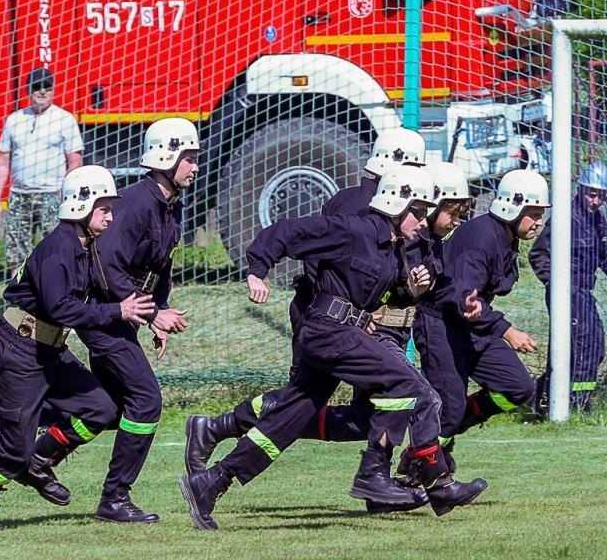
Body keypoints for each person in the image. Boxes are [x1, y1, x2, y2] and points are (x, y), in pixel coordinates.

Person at [184, 162, 481, 515]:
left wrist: (409, 290)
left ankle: (212, 481)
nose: (422, 222)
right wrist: (256, 271)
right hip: (327, 332)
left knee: (286, 422)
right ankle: (375, 474)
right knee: (407, 387)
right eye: (418, 212)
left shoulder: (394, 246)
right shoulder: (352, 229)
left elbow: (383, 294)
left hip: (342, 332)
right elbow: (287, 232)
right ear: (396, 205)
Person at [0, 165, 156, 531]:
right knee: (13, 451)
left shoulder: (83, 245)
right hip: (20, 350)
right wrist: (119, 310)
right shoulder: (59, 248)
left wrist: (151, 313)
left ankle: (39, 459)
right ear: (81, 206)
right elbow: (61, 307)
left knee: (101, 408)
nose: (111, 216)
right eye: (104, 208)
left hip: (50, 350)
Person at [61, 117, 198, 523]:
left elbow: (160, 268)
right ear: (165, 158)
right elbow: (105, 262)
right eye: (188, 158)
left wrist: (157, 312)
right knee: (146, 401)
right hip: (101, 315)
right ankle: (115, 498)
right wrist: (152, 312)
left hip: (126, 315)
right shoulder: (136, 203)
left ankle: (31, 440)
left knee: (107, 406)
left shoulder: (172, 205)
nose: (194, 166)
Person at [414, 168, 549, 462]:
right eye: (535, 213)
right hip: (442, 326)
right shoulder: (480, 238)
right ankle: (414, 470)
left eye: (541, 214)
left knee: (517, 387)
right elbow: (461, 294)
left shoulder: (505, 236)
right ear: (513, 207)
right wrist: (506, 330)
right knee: (447, 411)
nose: (540, 222)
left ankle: (458, 423)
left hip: (473, 326)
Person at [530, 161, 607, 412]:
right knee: (583, 345)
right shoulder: (566, 216)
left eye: (601, 196)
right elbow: (538, 254)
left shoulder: (597, 220)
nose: (595, 201)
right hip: (568, 292)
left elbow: (605, 255)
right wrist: (556, 285)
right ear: (581, 189)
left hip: (583, 291)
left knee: (594, 346)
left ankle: (552, 400)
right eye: (592, 194)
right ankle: (572, 405)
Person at [0, 67, 83, 280]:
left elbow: (75, 160)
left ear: (53, 89)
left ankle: (58, 295)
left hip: (52, 195)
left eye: (46, 87)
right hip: (19, 195)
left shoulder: (64, 119)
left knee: (57, 250)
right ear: (27, 90)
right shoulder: (14, 119)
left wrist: (65, 192)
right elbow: (3, 161)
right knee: (16, 254)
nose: (42, 91)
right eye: (36, 87)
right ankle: (19, 301)